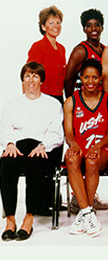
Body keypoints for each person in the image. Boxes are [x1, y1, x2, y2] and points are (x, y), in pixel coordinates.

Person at [0, 62, 63, 242]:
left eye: (35, 76)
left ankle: (29, 217)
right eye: (27, 76)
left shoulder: (52, 104)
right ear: (22, 80)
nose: (31, 80)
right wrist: (10, 144)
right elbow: (4, 130)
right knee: (6, 163)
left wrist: (43, 145)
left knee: (36, 163)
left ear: (41, 80)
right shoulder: (12, 105)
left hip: (41, 147)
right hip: (18, 147)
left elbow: (57, 134)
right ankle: (10, 220)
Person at [63, 59, 108, 237]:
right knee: (71, 159)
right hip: (80, 146)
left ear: (100, 78)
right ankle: (87, 212)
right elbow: (69, 132)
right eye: (86, 77)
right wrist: (74, 144)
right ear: (81, 77)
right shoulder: (71, 101)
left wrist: (97, 146)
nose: (91, 81)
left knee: (92, 161)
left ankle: (83, 213)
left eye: (94, 77)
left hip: (102, 148)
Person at [27, 5, 66, 105]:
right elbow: (28, 75)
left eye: (58, 22)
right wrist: (28, 102)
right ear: (43, 27)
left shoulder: (61, 48)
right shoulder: (38, 46)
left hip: (59, 98)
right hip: (42, 98)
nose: (56, 26)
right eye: (51, 23)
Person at [64, 8, 105, 98]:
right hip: (83, 101)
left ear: (102, 28)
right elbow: (69, 80)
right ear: (84, 29)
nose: (94, 28)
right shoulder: (80, 51)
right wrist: (71, 103)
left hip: (100, 100)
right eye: (89, 26)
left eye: (97, 25)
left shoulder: (105, 49)